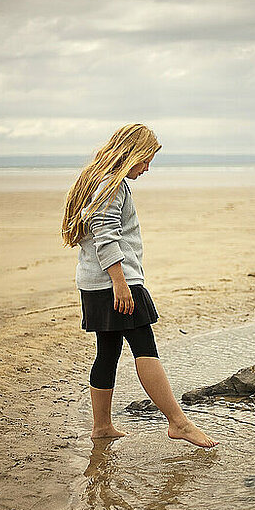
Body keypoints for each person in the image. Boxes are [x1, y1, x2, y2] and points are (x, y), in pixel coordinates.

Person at [62, 124, 219, 448]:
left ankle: (102, 427)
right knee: (145, 347)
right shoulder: (111, 185)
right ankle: (179, 423)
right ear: (131, 153)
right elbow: (106, 235)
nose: (147, 168)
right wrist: (120, 283)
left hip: (94, 282)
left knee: (107, 352)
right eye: (145, 160)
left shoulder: (97, 178)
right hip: (115, 281)